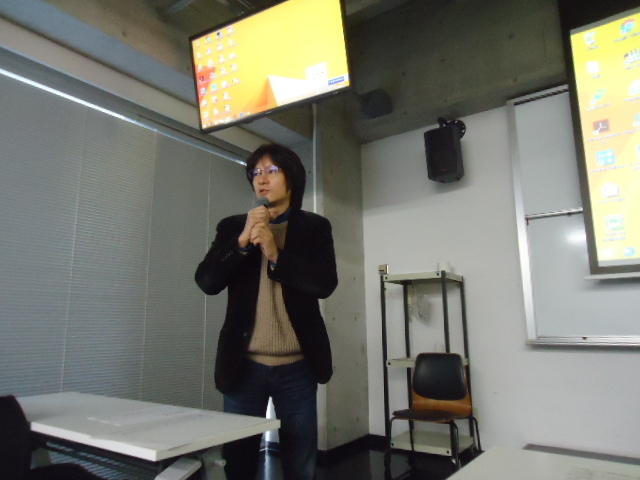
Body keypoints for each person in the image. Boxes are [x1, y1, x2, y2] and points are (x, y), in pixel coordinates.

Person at [195, 143, 338, 480]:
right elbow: (207, 281)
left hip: (298, 368)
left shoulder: (315, 228)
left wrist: (276, 255)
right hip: (243, 367)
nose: (261, 179)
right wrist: (242, 241)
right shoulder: (232, 227)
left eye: (271, 171)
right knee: (238, 462)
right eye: (256, 172)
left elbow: (325, 283)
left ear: (292, 178)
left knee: (300, 464)